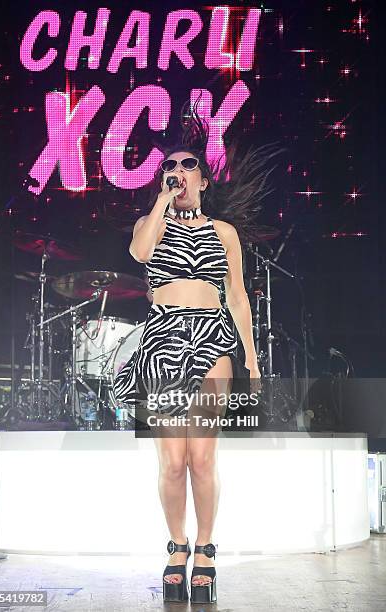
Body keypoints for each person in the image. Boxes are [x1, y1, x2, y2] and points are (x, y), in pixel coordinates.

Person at [112, 100, 283, 603]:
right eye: (171, 165)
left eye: (189, 166)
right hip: (163, 338)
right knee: (172, 462)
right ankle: (176, 549)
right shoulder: (153, 221)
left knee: (203, 459)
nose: (179, 171)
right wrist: (163, 202)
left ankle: (206, 551)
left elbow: (237, 298)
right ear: (162, 176)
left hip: (212, 338)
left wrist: (251, 358)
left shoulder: (224, 233)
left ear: (205, 180)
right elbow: (140, 253)